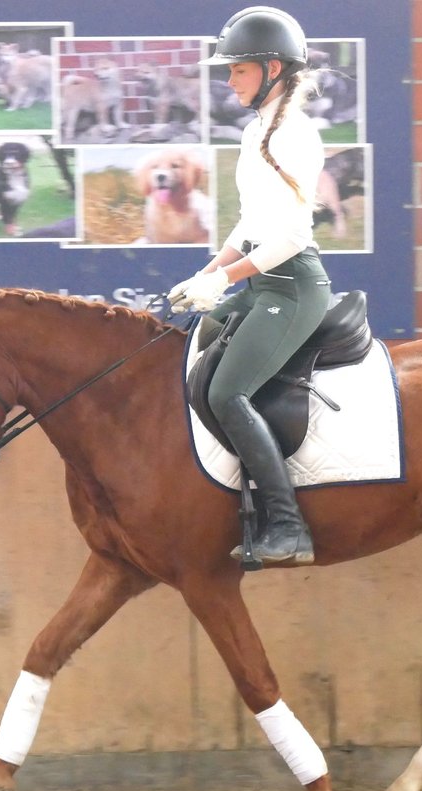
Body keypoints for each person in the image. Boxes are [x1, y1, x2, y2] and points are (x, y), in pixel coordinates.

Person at [169, 6, 330, 567]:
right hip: (262, 283)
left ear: (271, 68)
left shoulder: (294, 133)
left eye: (237, 70)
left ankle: (288, 526)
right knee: (193, 352)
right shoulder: (256, 129)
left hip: (291, 288)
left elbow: (287, 236)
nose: (228, 78)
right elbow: (249, 222)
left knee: (224, 393)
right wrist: (209, 274)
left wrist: (227, 279)